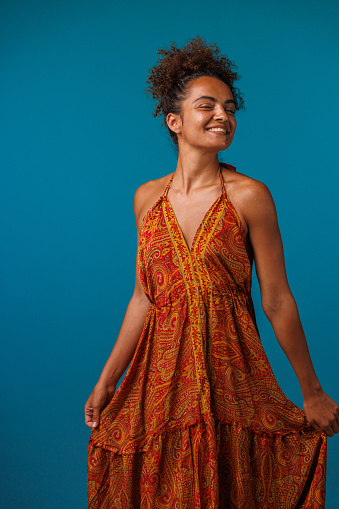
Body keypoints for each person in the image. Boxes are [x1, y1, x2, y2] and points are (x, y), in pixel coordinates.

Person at [85, 37, 339, 508]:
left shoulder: (249, 196)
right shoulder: (147, 200)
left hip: (232, 379)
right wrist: (106, 382)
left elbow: (277, 300)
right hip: (158, 383)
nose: (222, 115)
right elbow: (143, 299)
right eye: (207, 106)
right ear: (175, 121)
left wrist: (313, 390)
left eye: (229, 107)